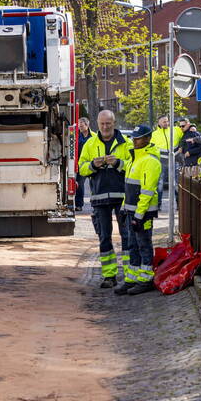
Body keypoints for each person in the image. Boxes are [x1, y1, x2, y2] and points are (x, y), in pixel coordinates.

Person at [78, 110, 130, 288]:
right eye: (102, 124)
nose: (105, 127)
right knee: (104, 237)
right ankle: (109, 275)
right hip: (100, 197)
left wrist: (118, 163)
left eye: (108, 124)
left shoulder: (126, 143)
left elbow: (132, 166)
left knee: (127, 235)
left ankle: (130, 275)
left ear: (114, 123)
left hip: (122, 196)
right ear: (97, 124)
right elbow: (81, 168)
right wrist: (93, 165)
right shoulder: (90, 144)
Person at [115, 125, 162, 296]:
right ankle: (132, 278)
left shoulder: (150, 161)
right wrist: (123, 209)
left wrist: (139, 216)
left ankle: (146, 280)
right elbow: (129, 189)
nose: (135, 141)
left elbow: (147, 192)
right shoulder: (134, 158)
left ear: (148, 139)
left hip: (143, 213)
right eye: (134, 138)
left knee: (144, 245)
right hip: (131, 212)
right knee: (132, 245)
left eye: (139, 138)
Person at [153, 115, 183, 206]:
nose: (166, 123)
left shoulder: (176, 130)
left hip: (174, 160)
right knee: (160, 184)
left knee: (176, 183)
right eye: (163, 121)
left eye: (167, 121)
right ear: (159, 123)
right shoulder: (154, 134)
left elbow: (186, 132)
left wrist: (193, 127)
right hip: (161, 162)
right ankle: (158, 204)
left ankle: (179, 204)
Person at [74, 116, 92, 211]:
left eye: (81, 126)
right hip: (82, 164)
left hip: (92, 164)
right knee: (79, 185)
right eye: (79, 126)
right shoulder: (77, 136)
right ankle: (79, 205)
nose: (80, 128)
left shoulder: (94, 136)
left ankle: (96, 203)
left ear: (87, 125)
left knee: (94, 184)